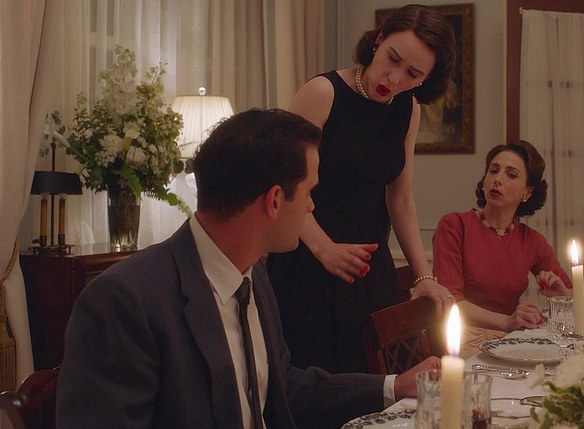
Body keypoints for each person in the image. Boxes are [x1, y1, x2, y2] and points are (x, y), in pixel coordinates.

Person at [56, 109, 438, 429]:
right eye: (310, 192)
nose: (311, 207)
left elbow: (280, 385)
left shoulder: (252, 274)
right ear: (274, 200)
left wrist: (393, 386)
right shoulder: (125, 300)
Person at [267, 4, 456, 373]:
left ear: (426, 79)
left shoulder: (408, 109)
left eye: (413, 74)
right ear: (378, 40)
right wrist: (324, 248)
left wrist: (424, 277)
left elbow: (400, 199)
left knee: (377, 383)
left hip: (369, 266)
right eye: (392, 59)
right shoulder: (323, 92)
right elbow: (281, 181)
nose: (395, 78)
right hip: (306, 259)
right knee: (312, 383)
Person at [432, 141, 572, 356]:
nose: (497, 179)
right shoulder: (454, 225)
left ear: (527, 192)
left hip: (508, 340)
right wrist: (508, 322)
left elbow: (572, 297)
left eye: (511, 175)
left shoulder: (531, 240)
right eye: (493, 171)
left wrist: (560, 295)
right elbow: (451, 302)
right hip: (458, 339)